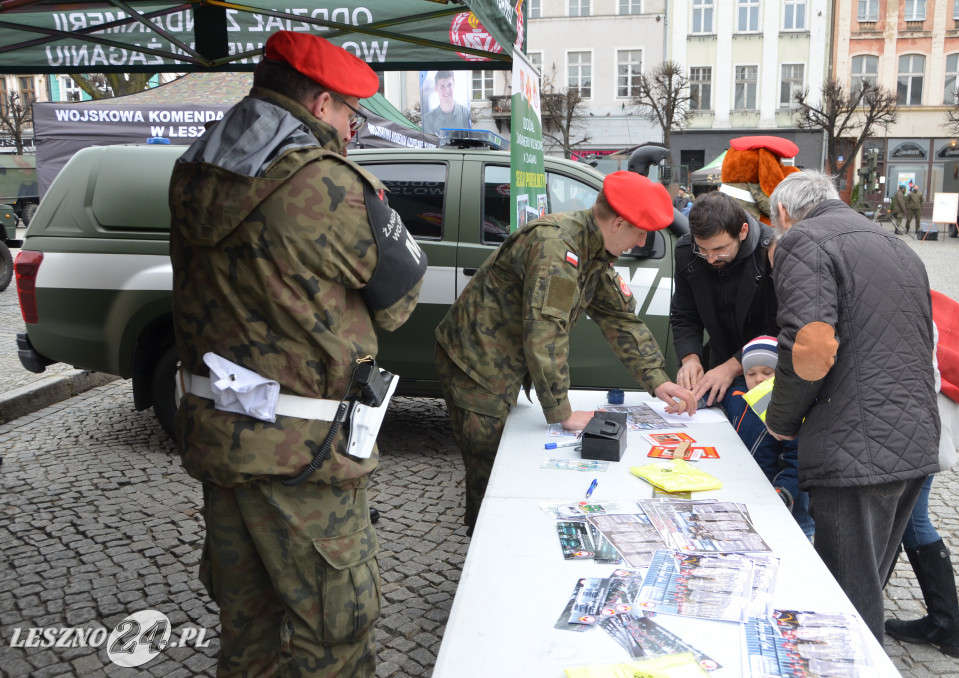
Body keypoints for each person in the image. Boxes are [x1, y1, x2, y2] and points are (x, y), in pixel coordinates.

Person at [168, 30, 427, 676]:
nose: (351, 127)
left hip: (221, 443)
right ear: (317, 103)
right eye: (347, 112)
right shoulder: (327, 186)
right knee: (333, 641)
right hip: (304, 461)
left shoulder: (192, 171)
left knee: (247, 638)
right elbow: (402, 299)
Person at [435, 171, 698, 530]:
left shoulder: (593, 251)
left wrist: (657, 380)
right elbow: (546, 332)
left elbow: (620, 319)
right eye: (640, 232)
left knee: (508, 466)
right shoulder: (557, 249)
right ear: (618, 222)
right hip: (476, 364)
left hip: (506, 361)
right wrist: (563, 412)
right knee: (491, 469)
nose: (640, 242)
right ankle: (485, 543)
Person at [765, 169, 940, 644]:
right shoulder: (894, 244)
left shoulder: (805, 240)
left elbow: (811, 347)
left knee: (847, 600)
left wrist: (780, 421)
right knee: (867, 581)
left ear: (784, 213)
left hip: (855, 444)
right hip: (913, 435)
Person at [885, 319, 959, 658]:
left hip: (919, 421)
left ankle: (947, 624)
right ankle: (946, 623)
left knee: (911, 518)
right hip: (923, 418)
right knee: (907, 516)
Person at [670, 190, 779, 405]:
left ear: (743, 231)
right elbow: (684, 315)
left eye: (720, 249)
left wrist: (732, 367)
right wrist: (690, 358)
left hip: (766, 372)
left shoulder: (771, 251)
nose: (710, 259)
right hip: (717, 361)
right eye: (702, 250)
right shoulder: (686, 252)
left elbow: (780, 328)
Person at [722, 336, 814, 538]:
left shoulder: (791, 411)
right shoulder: (737, 396)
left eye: (768, 372)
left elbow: (798, 461)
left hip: (784, 498)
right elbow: (716, 394)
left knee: (797, 536)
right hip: (749, 492)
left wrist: (783, 492)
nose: (758, 379)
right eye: (751, 373)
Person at [421, 70, 471, 135]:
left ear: (454, 85)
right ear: (436, 88)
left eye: (449, 85)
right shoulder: (427, 120)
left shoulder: (466, 115)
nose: (447, 90)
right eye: (442, 86)